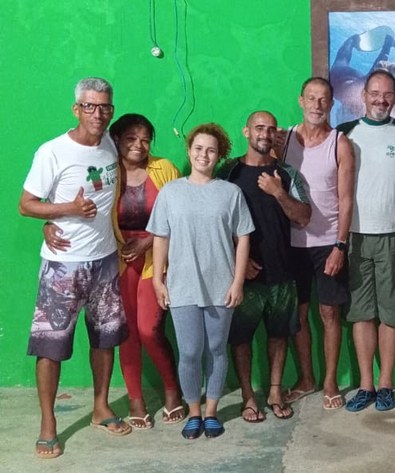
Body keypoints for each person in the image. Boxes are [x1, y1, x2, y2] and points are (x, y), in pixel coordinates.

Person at [43, 114, 185, 429]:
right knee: (125, 334)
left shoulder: (165, 170)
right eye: (131, 138)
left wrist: (147, 243)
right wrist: (49, 223)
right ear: (116, 140)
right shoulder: (106, 172)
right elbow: (78, 205)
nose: (139, 145)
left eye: (145, 139)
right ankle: (136, 400)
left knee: (149, 329)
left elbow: (180, 215)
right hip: (115, 262)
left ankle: (173, 392)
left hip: (154, 261)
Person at [19, 77, 131, 458]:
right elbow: (27, 204)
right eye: (90, 106)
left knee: (105, 339)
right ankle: (48, 423)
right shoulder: (52, 152)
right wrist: (64, 211)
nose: (98, 114)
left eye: (105, 107)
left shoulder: (111, 145)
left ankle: (100, 407)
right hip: (62, 267)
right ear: (76, 109)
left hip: (104, 262)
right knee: (50, 347)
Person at [147, 123, 253, 439]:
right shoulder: (171, 192)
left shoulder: (230, 193)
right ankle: (193, 412)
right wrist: (157, 279)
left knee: (217, 349)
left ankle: (211, 412)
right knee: (191, 351)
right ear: (189, 151)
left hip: (221, 285)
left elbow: (243, 238)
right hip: (181, 285)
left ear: (219, 155)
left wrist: (237, 282)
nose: (203, 154)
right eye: (198, 148)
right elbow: (160, 238)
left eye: (210, 150)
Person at [338, 70, 395, 412]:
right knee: (361, 314)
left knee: (391, 313)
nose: (381, 99)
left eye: (387, 94)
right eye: (374, 93)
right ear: (363, 95)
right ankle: (366, 385)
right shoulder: (345, 135)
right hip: (355, 238)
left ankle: (387, 383)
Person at [219, 111, 311, 422]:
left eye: (271, 130)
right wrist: (237, 262)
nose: (265, 134)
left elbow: (303, 217)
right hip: (242, 277)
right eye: (259, 127)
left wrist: (278, 192)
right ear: (246, 131)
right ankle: (248, 397)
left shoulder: (287, 174)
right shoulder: (227, 172)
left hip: (282, 272)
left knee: (279, 335)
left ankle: (274, 391)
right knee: (241, 338)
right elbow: (212, 221)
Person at [281, 78, 355, 410]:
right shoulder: (284, 140)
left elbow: (346, 198)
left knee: (329, 313)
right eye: (311, 98)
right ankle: (306, 378)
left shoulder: (340, 143)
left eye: (323, 99)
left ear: (331, 103)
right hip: (291, 243)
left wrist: (341, 244)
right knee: (298, 315)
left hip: (328, 243)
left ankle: (329, 382)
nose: (317, 104)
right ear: (300, 100)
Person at [330, 27, 395, 128]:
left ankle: (389, 43)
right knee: (340, 63)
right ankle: (353, 40)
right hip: (347, 80)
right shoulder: (352, 95)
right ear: (393, 73)